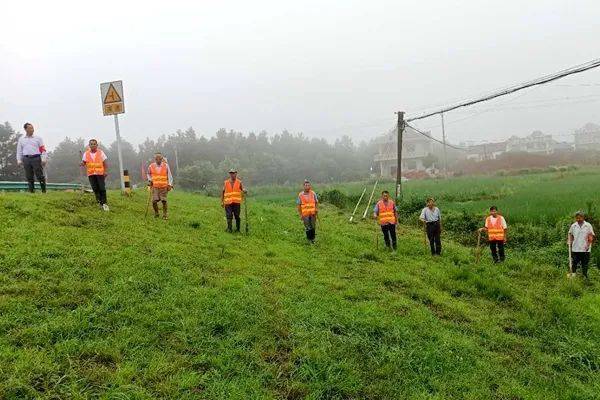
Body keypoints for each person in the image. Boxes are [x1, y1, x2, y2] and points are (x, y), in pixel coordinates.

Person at [16, 122, 47, 193]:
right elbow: (19, 151)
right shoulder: (21, 139)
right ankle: (32, 192)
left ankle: (44, 191)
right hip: (26, 159)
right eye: (30, 128)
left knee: (40, 175)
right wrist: (19, 160)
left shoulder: (38, 138)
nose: (32, 129)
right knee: (29, 176)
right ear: (25, 129)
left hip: (36, 158)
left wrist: (44, 158)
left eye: (32, 128)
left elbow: (43, 149)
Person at [80, 139, 109, 211]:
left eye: (94, 144)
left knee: (102, 188)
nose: (93, 145)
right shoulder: (86, 153)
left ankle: (104, 203)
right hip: (91, 174)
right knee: (95, 188)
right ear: (89, 145)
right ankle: (99, 202)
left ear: (97, 145)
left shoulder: (101, 152)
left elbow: (105, 163)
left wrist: (105, 171)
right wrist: (81, 164)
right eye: (91, 144)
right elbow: (84, 162)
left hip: (100, 173)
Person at [568, 211, 596, 279]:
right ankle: (573, 276)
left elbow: (591, 236)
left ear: (583, 217)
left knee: (585, 264)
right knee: (574, 263)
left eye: (579, 218)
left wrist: (588, 244)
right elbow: (570, 234)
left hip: (585, 249)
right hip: (575, 248)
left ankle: (585, 276)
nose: (578, 220)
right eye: (576, 218)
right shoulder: (573, 226)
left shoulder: (588, 225)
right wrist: (569, 240)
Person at [147, 153, 173, 220]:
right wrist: (150, 180)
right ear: (155, 159)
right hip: (155, 187)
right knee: (154, 201)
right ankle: (156, 213)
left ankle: (165, 215)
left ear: (162, 159)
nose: (158, 160)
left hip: (164, 186)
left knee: (164, 201)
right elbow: (148, 174)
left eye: (160, 159)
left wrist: (169, 184)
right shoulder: (151, 166)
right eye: (157, 159)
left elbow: (170, 176)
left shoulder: (166, 166)